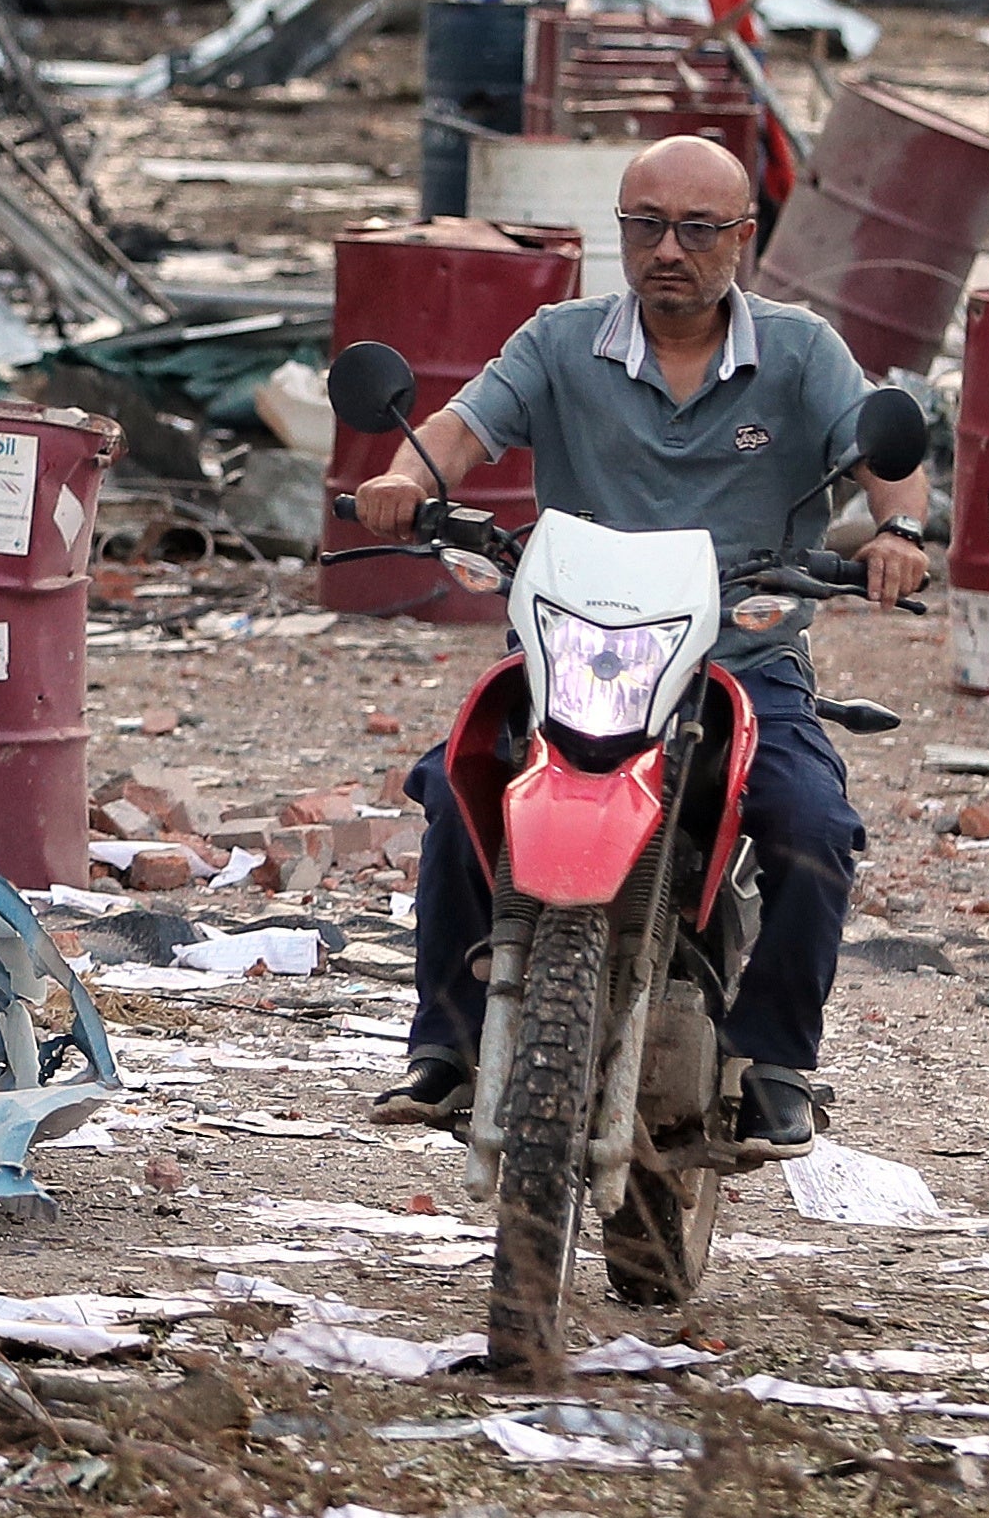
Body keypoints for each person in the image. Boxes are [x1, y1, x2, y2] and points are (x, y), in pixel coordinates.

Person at [345, 133, 926, 1160]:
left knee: (813, 824)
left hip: (740, 659)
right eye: (645, 224)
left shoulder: (798, 351)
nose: (669, 248)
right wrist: (404, 477)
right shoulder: (559, 340)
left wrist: (897, 534)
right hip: (576, 650)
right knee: (455, 780)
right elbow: (462, 425)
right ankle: (443, 1045)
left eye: (697, 229)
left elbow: (882, 452)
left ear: (742, 239)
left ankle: (775, 1060)